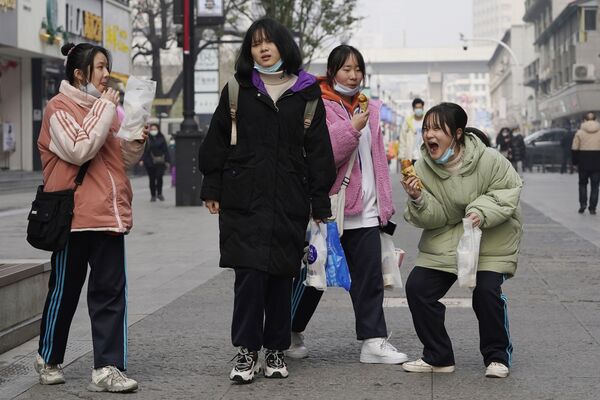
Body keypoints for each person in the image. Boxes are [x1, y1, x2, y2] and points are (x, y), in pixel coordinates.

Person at [198, 18, 336, 383]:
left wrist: (319, 203)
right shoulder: (237, 89)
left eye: (269, 42)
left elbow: (319, 153)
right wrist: (212, 186)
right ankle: (246, 351)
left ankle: (275, 349)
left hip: (289, 200)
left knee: (281, 278)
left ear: (282, 46)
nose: (262, 48)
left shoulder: (307, 93)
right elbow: (216, 142)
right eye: (255, 43)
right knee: (249, 278)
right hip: (243, 200)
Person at [287, 44, 408, 365]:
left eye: (358, 70)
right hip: (329, 208)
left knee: (368, 278)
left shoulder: (372, 107)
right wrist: (352, 127)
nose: (353, 76)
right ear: (332, 71)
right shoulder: (318, 105)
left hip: (367, 211)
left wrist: (385, 204)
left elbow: (377, 160)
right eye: (346, 69)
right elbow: (322, 155)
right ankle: (289, 330)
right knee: (314, 277)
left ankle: (374, 341)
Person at [35, 42, 144, 392]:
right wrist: (104, 110)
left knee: (111, 293)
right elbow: (80, 148)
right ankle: (48, 356)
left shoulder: (105, 110)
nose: (106, 74)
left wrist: (134, 137)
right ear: (79, 73)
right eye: (99, 67)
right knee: (65, 291)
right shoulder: (58, 109)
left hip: (109, 215)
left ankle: (107, 367)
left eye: (107, 66)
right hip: (73, 218)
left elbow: (120, 162)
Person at [401, 102, 522, 378]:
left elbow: (509, 192)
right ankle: (438, 356)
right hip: (448, 237)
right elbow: (437, 217)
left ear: (457, 133)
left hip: (491, 236)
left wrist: (481, 211)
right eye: (425, 129)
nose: (429, 135)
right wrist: (418, 198)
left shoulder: (490, 159)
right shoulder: (422, 168)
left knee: (486, 291)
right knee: (418, 287)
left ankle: (497, 356)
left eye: (436, 129)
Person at [572, 112, 600, 215]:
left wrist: (575, 162)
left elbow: (574, 148)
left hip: (583, 161)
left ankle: (583, 204)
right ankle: (592, 208)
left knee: (582, 184)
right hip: (597, 162)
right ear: (595, 119)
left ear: (584, 120)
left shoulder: (579, 132)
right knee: (595, 186)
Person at [140, 123, 170, 201]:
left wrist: (167, 160)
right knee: (152, 179)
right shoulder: (147, 138)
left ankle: (159, 193)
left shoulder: (162, 137)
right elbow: (144, 150)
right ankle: (153, 195)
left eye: (155, 129)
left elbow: (165, 150)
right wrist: (142, 159)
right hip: (149, 161)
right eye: (152, 129)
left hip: (160, 162)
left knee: (159, 177)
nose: (153, 130)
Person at [399, 98, 425, 163]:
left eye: (420, 107)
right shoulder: (407, 122)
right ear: (413, 109)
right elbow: (402, 140)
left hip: (424, 158)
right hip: (410, 157)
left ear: (423, 108)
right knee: (409, 173)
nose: (418, 110)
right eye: (417, 108)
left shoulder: (427, 121)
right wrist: (401, 156)